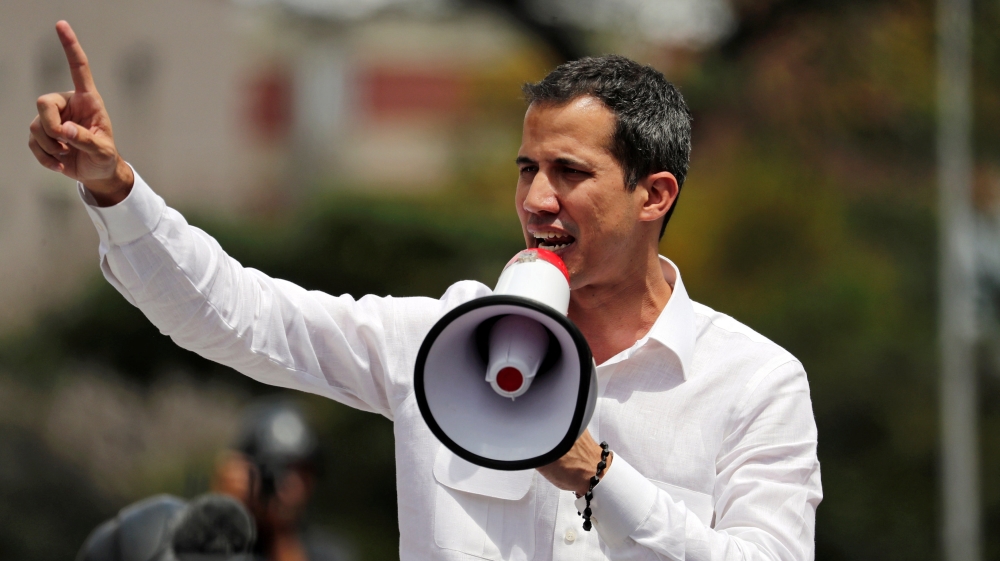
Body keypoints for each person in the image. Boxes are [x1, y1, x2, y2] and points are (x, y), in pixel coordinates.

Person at [29, 20, 822, 561]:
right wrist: (114, 190)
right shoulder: (437, 339)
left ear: (655, 195)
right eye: (527, 169)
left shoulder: (754, 384)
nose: (537, 199)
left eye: (570, 173)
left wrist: (601, 475)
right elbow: (237, 315)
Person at [212, 400, 351, 561]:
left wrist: (282, 532)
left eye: (303, 471)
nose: (294, 486)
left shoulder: (329, 552)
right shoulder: (203, 537)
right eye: (279, 469)